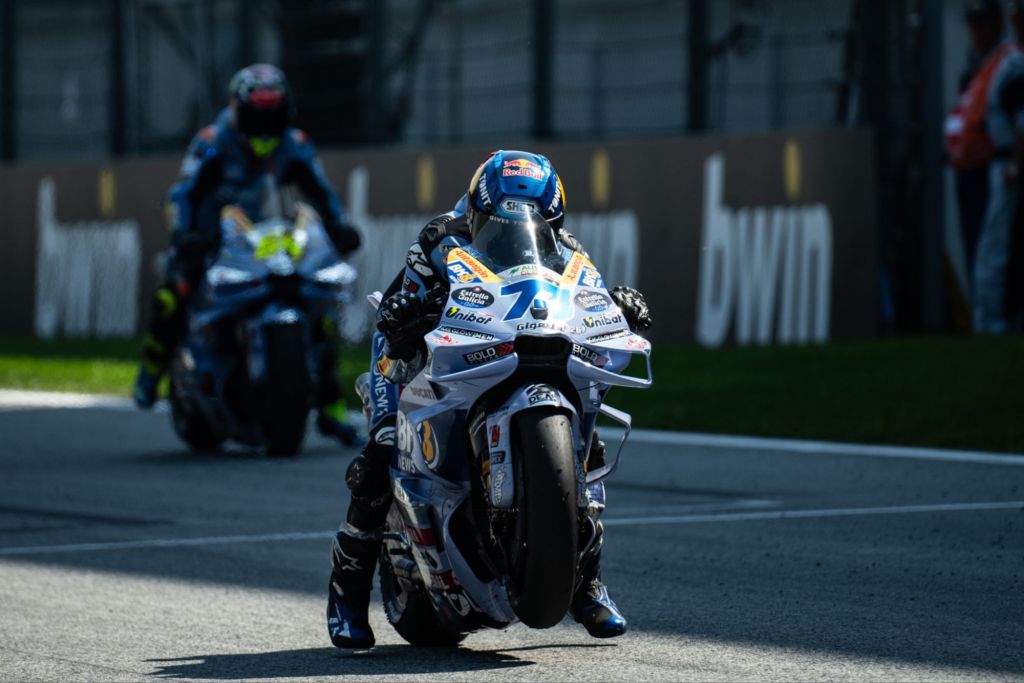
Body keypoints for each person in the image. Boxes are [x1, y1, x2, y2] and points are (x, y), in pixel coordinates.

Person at [326, 150, 652, 649]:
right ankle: (346, 595)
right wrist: (402, 315)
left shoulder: (567, 250)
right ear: (479, 212)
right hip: (426, 359)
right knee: (381, 452)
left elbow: (590, 300)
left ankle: (587, 585)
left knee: (588, 448)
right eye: (501, 222)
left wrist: (621, 306)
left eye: (537, 221)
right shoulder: (439, 240)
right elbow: (394, 305)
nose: (520, 230)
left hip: (525, 350)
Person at [133, 64, 362, 442]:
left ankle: (330, 403)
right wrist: (185, 233)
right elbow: (183, 194)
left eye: (274, 116)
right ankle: (151, 369)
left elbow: (322, 193)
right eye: (258, 116)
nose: (266, 127)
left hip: (268, 239)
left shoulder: (296, 144)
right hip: (212, 240)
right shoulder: (212, 141)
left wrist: (339, 228)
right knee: (173, 294)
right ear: (238, 110)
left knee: (316, 304)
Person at [946, 0, 1012, 291]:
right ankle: (982, 311)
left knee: (992, 256)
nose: (976, 32)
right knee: (976, 251)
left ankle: (996, 314)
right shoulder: (976, 66)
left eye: (981, 24)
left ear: (997, 24)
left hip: (994, 170)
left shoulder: (1008, 63)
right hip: (969, 170)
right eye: (972, 25)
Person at [976, 0, 1024, 332]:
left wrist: (1015, 165)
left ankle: (994, 323)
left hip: (1009, 167)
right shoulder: (1008, 59)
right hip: (1004, 163)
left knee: (995, 252)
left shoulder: (1014, 64)